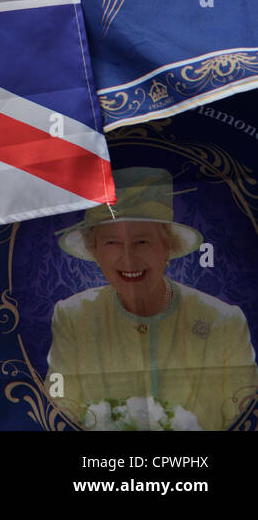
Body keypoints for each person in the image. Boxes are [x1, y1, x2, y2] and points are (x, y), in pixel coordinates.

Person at [46, 167, 258, 430]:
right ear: (95, 251)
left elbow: (246, 417)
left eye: (142, 242)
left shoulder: (224, 322)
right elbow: (60, 412)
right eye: (112, 242)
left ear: (168, 247)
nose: (128, 258)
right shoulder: (73, 317)